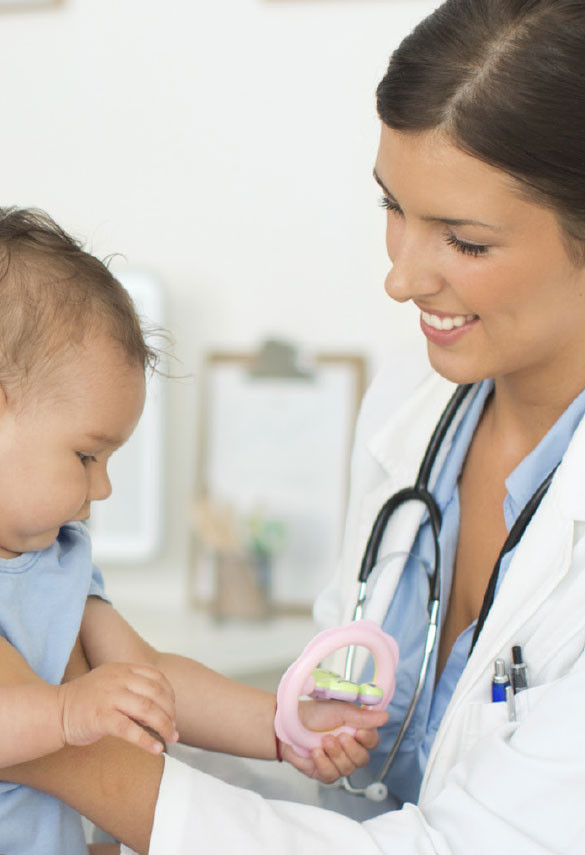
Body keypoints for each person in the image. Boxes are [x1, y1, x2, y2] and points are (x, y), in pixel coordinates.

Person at [4, 0, 585, 851]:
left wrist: (70, 752)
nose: (400, 278)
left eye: (461, 240)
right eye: (393, 206)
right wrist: (291, 728)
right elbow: (330, 795)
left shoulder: (59, 564)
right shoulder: (408, 407)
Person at [0, 207, 387, 855]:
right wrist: (67, 712)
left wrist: (280, 724)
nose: (102, 489)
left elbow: (148, 674)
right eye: (87, 456)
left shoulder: (59, 559)